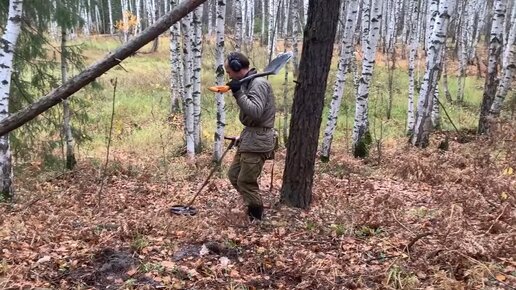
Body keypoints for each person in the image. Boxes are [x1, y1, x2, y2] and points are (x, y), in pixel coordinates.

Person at [225, 52, 276, 221]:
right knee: (234, 175)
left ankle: (256, 217)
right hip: (250, 137)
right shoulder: (250, 82)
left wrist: (238, 93)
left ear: (237, 67)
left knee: (246, 181)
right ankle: (252, 203)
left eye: (229, 70)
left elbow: (255, 112)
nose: (228, 74)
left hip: (258, 140)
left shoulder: (259, 83)